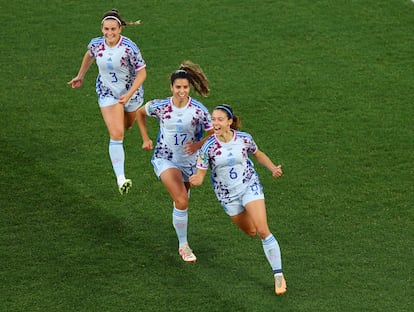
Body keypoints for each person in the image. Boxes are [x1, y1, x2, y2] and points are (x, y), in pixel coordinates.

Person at [189, 104, 287, 295]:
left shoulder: (244, 139)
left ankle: (278, 275)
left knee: (262, 230)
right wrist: (197, 180)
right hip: (228, 196)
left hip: (249, 186)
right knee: (250, 231)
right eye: (213, 119)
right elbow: (201, 174)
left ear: (229, 122)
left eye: (219, 119)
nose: (215, 123)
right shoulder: (207, 147)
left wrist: (273, 168)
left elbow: (257, 155)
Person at [136, 61, 214, 262]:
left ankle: (179, 215)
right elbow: (140, 113)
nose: (181, 91)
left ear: (189, 88)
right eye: (178, 87)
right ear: (171, 87)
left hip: (189, 163)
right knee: (181, 200)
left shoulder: (198, 110)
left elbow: (214, 135)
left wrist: (198, 146)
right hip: (165, 158)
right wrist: (145, 138)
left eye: (185, 87)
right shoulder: (161, 106)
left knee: (181, 201)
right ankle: (184, 246)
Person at [68, 9, 146, 195]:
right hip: (107, 92)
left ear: (120, 29)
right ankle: (121, 179)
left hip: (130, 94)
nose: (109, 33)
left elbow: (142, 73)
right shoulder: (96, 44)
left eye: (113, 29)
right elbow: (89, 55)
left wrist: (128, 95)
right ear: (101, 29)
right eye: (106, 29)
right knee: (117, 134)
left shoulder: (129, 47)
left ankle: (125, 112)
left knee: (127, 126)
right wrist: (80, 76)